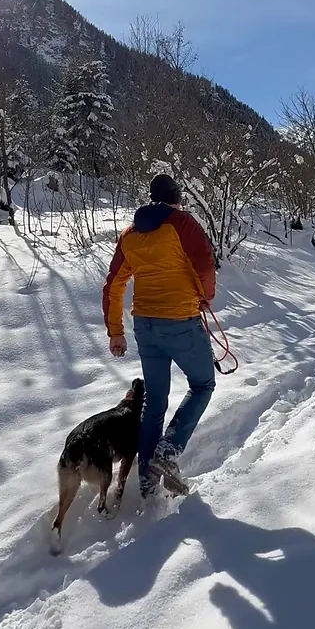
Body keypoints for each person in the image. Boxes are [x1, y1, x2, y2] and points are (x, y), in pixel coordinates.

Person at [102, 173, 216, 497]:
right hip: (180, 321)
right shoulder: (182, 223)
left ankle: (148, 485)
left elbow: (114, 284)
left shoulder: (130, 234)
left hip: (145, 326)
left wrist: (115, 331)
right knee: (203, 384)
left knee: (154, 402)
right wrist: (206, 296)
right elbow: (205, 266)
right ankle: (167, 452)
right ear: (176, 199)